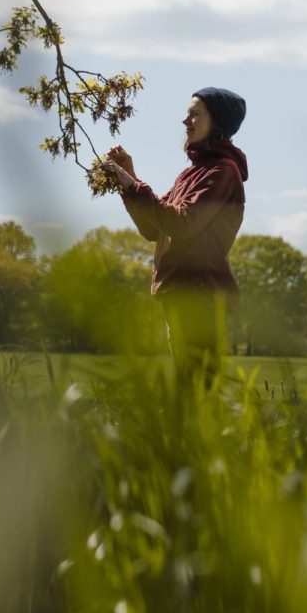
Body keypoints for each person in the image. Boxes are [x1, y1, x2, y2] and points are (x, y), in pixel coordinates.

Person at [103, 87, 248, 388]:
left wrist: (132, 186)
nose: (185, 121)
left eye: (195, 114)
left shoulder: (223, 171)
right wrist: (130, 178)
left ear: (217, 124)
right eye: (187, 113)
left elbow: (182, 224)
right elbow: (154, 229)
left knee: (198, 389)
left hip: (200, 293)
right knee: (190, 387)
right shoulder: (189, 175)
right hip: (179, 291)